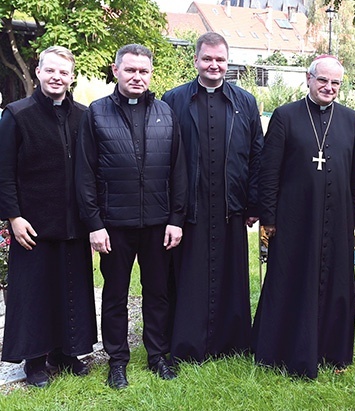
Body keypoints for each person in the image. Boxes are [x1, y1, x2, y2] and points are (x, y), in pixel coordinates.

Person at [75, 44, 187, 389]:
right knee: (115, 296)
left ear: (151, 74)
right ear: (116, 71)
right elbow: (84, 173)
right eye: (130, 70)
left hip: (157, 224)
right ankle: (117, 360)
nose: (137, 77)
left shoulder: (166, 113)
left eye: (144, 71)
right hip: (115, 226)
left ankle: (157, 356)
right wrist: (94, 224)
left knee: (157, 293)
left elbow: (179, 170)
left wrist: (176, 219)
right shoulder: (96, 114)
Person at [251, 55, 355, 379]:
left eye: (335, 83)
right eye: (323, 80)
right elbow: (268, 171)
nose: (329, 87)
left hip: (339, 218)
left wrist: (354, 221)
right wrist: (268, 218)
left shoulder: (351, 119)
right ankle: (281, 348)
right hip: (293, 219)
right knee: (290, 279)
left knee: (337, 284)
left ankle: (332, 350)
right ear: (308, 78)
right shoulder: (286, 116)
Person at [161, 32, 263, 362]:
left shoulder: (244, 101)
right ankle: (187, 343)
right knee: (189, 276)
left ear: (227, 62)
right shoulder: (174, 99)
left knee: (230, 275)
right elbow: (165, 153)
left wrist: (253, 201)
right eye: (208, 59)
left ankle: (230, 342)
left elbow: (256, 154)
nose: (214, 65)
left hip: (230, 206)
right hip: (189, 205)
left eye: (220, 60)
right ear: (196, 61)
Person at [0, 46, 97, 387]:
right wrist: (13, 216)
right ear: (39, 72)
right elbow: (4, 171)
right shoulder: (17, 115)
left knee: (71, 289)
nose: (57, 77)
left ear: (72, 77)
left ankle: (67, 354)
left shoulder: (84, 116)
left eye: (64, 72)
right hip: (33, 224)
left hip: (74, 223)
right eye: (50, 71)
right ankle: (36, 362)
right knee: (36, 294)